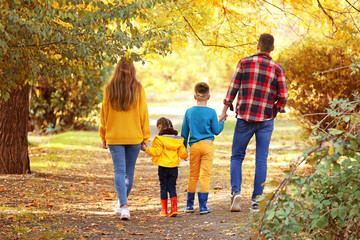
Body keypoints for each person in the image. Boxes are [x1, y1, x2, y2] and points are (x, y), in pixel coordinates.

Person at [219, 33, 288, 212]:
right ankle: (256, 201)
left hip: (244, 117)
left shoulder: (244, 62)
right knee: (261, 160)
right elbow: (284, 96)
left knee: (236, 156)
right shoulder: (277, 68)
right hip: (265, 119)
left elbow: (233, 87)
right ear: (272, 48)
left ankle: (236, 193)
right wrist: (275, 110)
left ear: (257, 46)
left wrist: (225, 110)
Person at [99, 60, 150, 220]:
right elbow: (144, 114)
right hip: (134, 136)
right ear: (132, 70)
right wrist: (145, 137)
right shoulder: (138, 88)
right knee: (129, 172)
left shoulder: (109, 88)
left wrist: (103, 135)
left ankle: (123, 205)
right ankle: (123, 205)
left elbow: (104, 114)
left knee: (119, 171)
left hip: (114, 136)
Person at [181, 82, 225, 215]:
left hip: (194, 146)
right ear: (209, 97)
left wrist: (183, 149)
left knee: (193, 175)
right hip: (207, 145)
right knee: (205, 175)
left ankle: (189, 206)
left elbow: (184, 133)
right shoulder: (211, 112)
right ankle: (203, 206)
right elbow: (216, 131)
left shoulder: (189, 112)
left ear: (195, 96)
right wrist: (222, 121)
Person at [141, 117, 188, 217]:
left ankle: (164, 210)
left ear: (159, 127)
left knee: (163, 187)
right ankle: (174, 209)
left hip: (163, 167)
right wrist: (185, 156)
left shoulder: (159, 139)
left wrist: (146, 149)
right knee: (172, 187)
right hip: (173, 167)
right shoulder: (178, 140)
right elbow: (183, 153)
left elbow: (156, 152)